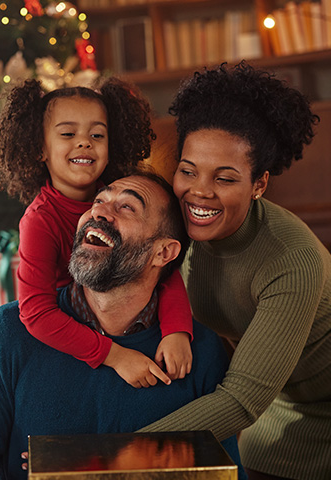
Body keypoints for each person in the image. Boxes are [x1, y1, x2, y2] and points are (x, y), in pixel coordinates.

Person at [0, 172, 246, 480]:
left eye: (127, 208)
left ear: (163, 252)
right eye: (99, 200)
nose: (99, 211)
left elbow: (225, 472)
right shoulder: (8, 332)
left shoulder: (200, 352)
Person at [137, 62, 331, 480]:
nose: (199, 192)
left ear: (258, 184)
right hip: (274, 406)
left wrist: (118, 453)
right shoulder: (178, 230)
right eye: (188, 171)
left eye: (224, 178)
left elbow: (243, 398)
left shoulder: (290, 259)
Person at [0, 77, 193, 387]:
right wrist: (115, 356)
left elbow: (162, 264)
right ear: (40, 147)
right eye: (68, 133)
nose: (84, 142)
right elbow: (36, 312)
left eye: (97, 134)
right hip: (73, 333)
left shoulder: (125, 194)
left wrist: (177, 330)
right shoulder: (39, 220)